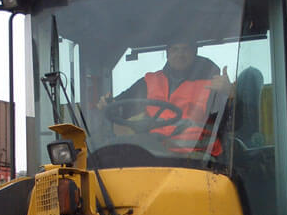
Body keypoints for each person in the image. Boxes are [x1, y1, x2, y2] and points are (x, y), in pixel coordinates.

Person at [99, 38, 231, 155]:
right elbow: (123, 106)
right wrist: (108, 104)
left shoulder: (211, 83)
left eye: (185, 50)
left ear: (194, 53)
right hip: (155, 147)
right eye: (175, 49)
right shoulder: (150, 81)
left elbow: (231, 122)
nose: (180, 54)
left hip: (193, 152)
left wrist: (229, 93)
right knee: (108, 149)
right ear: (167, 54)